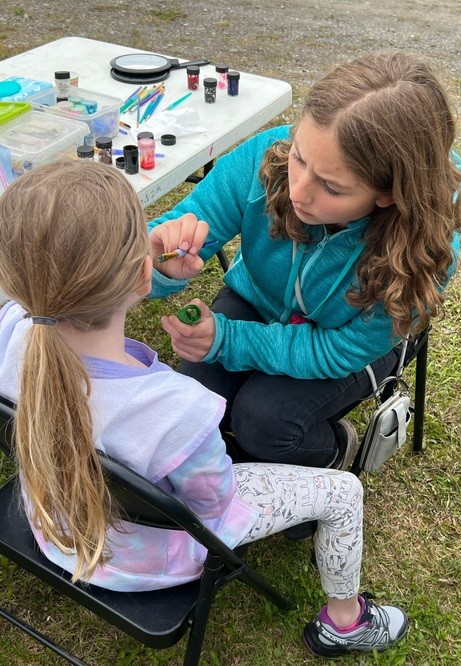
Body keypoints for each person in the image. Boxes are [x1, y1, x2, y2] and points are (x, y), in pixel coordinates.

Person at [0, 160, 408, 658]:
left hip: (54, 527)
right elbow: (213, 505)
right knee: (343, 493)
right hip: (146, 560)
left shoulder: (10, 333)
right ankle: (346, 623)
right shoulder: (180, 410)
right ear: (143, 276)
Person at [148, 52, 461, 471]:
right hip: (260, 298)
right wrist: (159, 262)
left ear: (389, 194)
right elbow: (175, 228)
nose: (297, 191)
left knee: (263, 423)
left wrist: (231, 341)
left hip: (347, 339)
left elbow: (342, 350)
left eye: (332, 188)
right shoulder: (267, 158)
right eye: (300, 158)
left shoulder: (424, 247)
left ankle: (334, 451)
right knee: (198, 402)